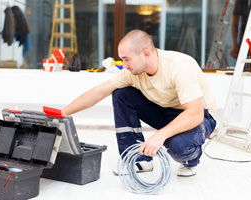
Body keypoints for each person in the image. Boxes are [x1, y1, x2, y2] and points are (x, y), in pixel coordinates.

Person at [61, 29, 217, 177]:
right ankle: (138, 160)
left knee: (177, 145)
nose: (124, 65)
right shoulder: (133, 71)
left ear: (146, 54)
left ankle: (190, 161)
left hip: (200, 116)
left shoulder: (179, 67)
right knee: (121, 94)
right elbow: (100, 91)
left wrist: (160, 135)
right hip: (165, 110)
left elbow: (195, 113)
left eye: (126, 59)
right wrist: (64, 112)